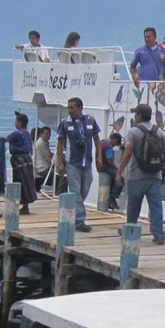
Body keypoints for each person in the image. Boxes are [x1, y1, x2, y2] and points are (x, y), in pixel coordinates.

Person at [116, 104, 165, 245]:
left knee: (134, 205)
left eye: (135, 113)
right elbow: (163, 154)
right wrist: (162, 171)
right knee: (156, 206)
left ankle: (130, 231)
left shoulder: (133, 132)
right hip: (155, 175)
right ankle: (159, 235)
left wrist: (119, 172)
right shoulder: (159, 132)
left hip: (136, 175)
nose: (134, 116)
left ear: (139, 115)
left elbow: (127, 154)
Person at [59, 97, 101, 232]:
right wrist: (60, 162)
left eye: (72, 108)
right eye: (68, 108)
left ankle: (72, 213)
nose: (69, 110)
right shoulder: (64, 123)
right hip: (72, 162)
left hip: (87, 162)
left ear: (80, 108)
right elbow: (60, 143)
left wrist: (99, 156)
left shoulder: (90, 120)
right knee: (75, 190)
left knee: (85, 189)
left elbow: (97, 139)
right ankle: (79, 220)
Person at [5, 112, 37, 214]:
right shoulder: (26, 133)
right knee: (27, 182)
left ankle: (20, 204)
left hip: (19, 161)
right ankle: (25, 205)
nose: (15, 123)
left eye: (16, 121)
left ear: (20, 122)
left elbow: (5, 139)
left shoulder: (16, 134)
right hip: (27, 160)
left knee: (19, 182)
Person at [99, 132, 123, 211]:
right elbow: (109, 161)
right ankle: (112, 198)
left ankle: (109, 199)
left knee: (113, 179)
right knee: (120, 179)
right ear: (114, 140)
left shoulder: (102, 142)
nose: (114, 146)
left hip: (100, 165)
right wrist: (117, 169)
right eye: (115, 144)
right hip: (105, 166)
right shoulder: (108, 146)